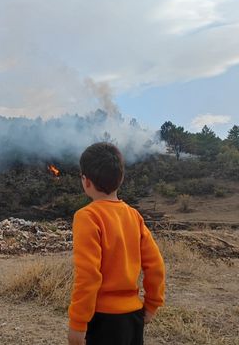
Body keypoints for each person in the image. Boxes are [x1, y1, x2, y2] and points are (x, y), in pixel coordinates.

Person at [68, 142, 165, 345]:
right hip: (133, 317)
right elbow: (155, 265)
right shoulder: (134, 215)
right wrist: (152, 304)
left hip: (103, 320)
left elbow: (88, 276)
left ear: (86, 181)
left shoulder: (87, 216)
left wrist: (78, 323)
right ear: (120, 179)